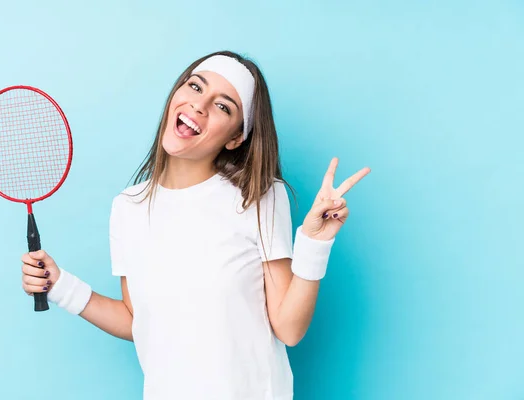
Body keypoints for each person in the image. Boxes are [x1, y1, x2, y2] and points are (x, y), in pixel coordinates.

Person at [20, 50, 370, 399]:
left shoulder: (258, 196)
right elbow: (136, 319)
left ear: (236, 138)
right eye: (195, 86)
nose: (199, 105)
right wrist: (60, 285)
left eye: (223, 106)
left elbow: (289, 329)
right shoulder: (128, 207)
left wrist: (314, 244)